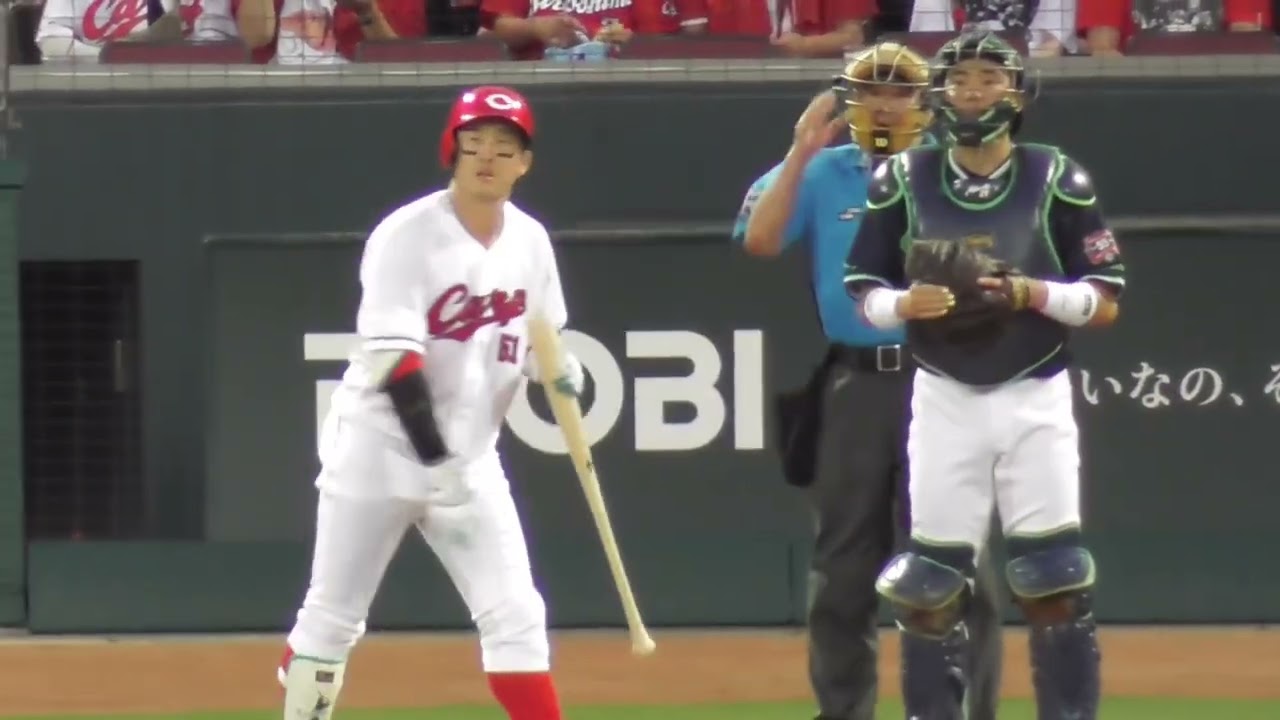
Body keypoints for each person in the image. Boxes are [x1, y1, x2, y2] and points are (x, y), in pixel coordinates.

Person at [277, 85, 585, 720]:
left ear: (524, 162)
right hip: (379, 450)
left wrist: (556, 368)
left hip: (472, 458)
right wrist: (435, 458)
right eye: (475, 142)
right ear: (453, 150)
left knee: (518, 617)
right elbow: (397, 362)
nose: (488, 156)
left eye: (504, 146)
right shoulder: (406, 236)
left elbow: (539, 337)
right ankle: (305, 674)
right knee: (334, 616)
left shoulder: (530, 241)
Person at [844, 31, 1125, 720]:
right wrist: (903, 304)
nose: (973, 90)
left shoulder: (1055, 177)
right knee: (929, 588)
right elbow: (864, 288)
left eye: (989, 78)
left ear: (1017, 94)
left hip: (1036, 393)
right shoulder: (902, 177)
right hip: (944, 396)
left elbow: (1105, 299)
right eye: (961, 78)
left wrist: (1034, 293)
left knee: (1054, 582)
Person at [732, 42, 1003, 720]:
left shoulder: (957, 167)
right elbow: (760, 240)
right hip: (860, 386)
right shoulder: (822, 170)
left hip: (945, 379)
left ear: (923, 100)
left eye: (900, 91)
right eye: (871, 90)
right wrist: (801, 150)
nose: (885, 104)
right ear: (849, 100)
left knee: (956, 561)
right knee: (843, 570)